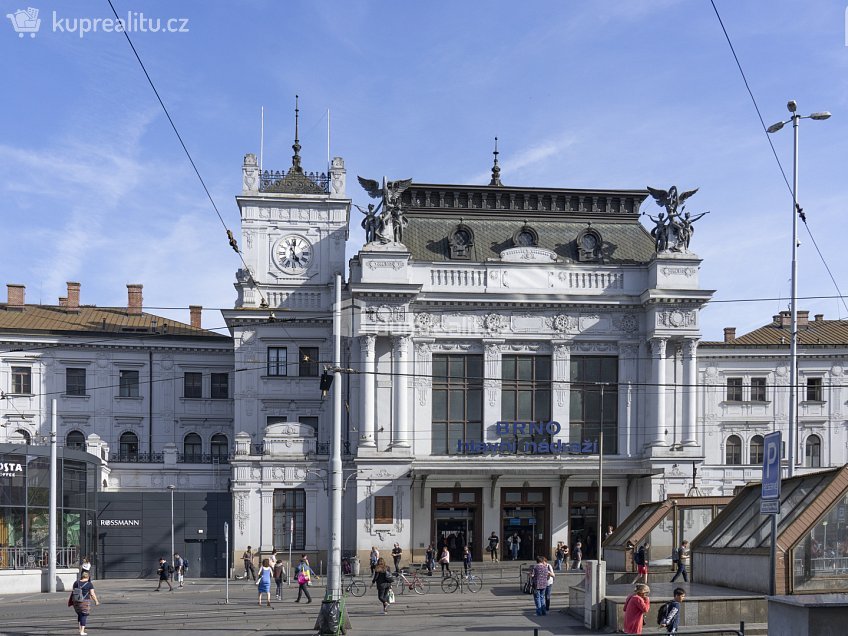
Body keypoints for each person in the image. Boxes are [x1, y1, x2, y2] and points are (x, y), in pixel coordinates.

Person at [70, 570, 99, 636]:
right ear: (88, 577)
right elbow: (92, 594)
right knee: (84, 615)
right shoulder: (89, 584)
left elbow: (73, 591)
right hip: (85, 601)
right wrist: (96, 601)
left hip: (76, 601)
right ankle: (82, 631)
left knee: (79, 614)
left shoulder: (76, 583)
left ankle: (79, 629)